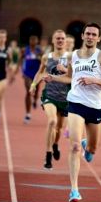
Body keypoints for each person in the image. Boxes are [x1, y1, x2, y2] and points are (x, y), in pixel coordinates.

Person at [44, 22, 101, 202]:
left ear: (99, 38)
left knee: (91, 149)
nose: (91, 37)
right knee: (75, 146)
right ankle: (74, 190)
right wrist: (53, 78)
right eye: (88, 34)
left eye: (94, 35)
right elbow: (70, 77)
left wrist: (94, 80)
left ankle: (88, 146)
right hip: (76, 102)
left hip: (95, 107)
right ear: (83, 36)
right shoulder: (75, 56)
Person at [29, 29, 70, 170]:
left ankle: (55, 145)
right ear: (53, 40)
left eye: (62, 38)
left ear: (65, 41)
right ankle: (48, 155)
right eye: (57, 38)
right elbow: (40, 72)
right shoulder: (46, 57)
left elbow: (75, 76)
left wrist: (64, 70)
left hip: (65, 98)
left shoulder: (71, 57)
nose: (60, 40)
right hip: (49, 95)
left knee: (58, 128)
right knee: (52, 121)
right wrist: (34, 85)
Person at [21, 35, 42, 123]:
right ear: (29, 41)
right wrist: (21, 70)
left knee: (36, 91)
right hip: (27, 74)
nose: (33, 42)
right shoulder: (25, 50)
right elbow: (20, 60)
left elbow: (43, 62)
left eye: (35, 40)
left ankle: (35, 99)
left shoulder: (39, 51)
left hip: (36, 74)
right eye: (31, 40)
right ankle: (28, 114)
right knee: (29, 91)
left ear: (37, 41)